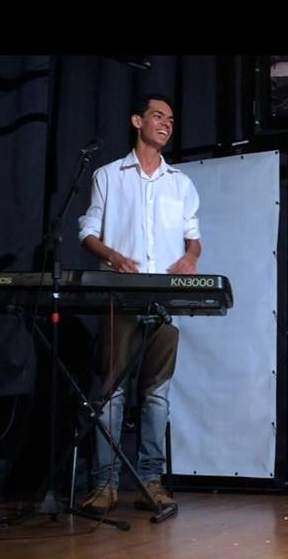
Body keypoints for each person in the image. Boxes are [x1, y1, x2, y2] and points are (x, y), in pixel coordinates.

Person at [77, 93, 202, 513]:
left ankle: (151, 481)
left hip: (163, 299)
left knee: (156, 395)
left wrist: (191, 258)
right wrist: (113, 256)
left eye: (171, 119)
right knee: (111, 392)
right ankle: (105, 484)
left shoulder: (181, 183)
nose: (166, 124)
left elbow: (193, 237)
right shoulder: (108, 176)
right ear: (137, 121)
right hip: (120, 296)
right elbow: (87, 231)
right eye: (158, 116)